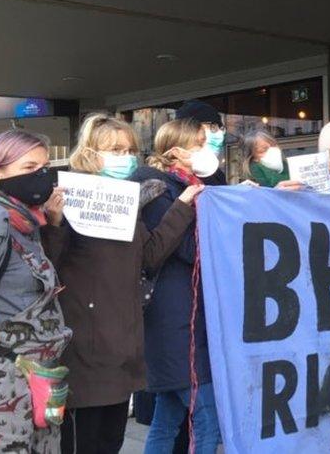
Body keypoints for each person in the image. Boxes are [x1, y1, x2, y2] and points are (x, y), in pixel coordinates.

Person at [52, 114, 202, 454]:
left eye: (130, 149)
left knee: (111, 441)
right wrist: (56, 222)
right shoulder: (68, 198)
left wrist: (181, 207)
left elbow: (149, 256)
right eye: (116, 149)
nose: (126, 156)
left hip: (124, 347)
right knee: (84, 442)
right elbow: (50, 263)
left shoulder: (126, 201)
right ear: (91, 152)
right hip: (86, 348)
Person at [0, 129, 72, 452]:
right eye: (29, 168)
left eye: (44, 168)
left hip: (37, 375)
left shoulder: (26, 223)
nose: (41, 177)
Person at [129, 120, 221, 453]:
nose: (207, 149)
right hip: (174, 319)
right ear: (175, 150)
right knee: (206, 419)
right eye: (199, 142)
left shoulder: (187, 184)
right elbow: (175, 249)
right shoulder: (153, 186)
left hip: (184, 319)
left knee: (167, 419)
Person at [175, 100, 227, 187]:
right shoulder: (168, 176)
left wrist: (236, 191)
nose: (219, 134)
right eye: (212, 127)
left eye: (220, 128)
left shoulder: (215, 174)